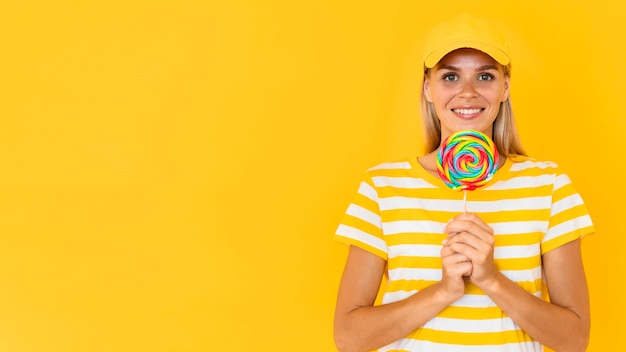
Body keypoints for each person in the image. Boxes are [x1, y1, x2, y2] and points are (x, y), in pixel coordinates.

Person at [333, 13, 594, 352]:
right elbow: (349, 338)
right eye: (451, 76)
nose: (467, 92)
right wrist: (444, 291)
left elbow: (574, 341)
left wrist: (490, 279)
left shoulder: (550, 185)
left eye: (484, 76)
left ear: (505, 87)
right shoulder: (382, 188)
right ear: (428, 88)